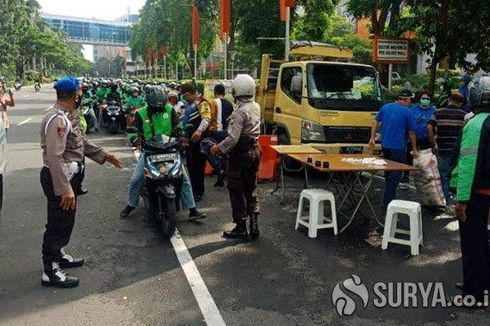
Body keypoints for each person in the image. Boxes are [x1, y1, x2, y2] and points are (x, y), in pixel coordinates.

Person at [40, 77, 122, 288]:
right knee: (58, 223)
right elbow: (53, 156)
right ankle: (50, 270)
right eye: (80, 93)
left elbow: (79, 143)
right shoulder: (57, 119)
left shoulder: (67, 116)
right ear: (75, 96)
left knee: (65, 220)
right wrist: (65, 187)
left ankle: (57, 255)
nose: (81, 96)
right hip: (61, 177)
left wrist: (104, 155)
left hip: (69, 176)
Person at [119, 86, 206, 220]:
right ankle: (131, 204)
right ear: (149, 104)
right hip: (150, 151)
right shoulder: (141, 113)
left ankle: (192, 209)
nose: (158, 109)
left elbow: (178, 127)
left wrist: (182, 137)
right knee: (136, 179)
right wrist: (135, 139)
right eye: (155, 107)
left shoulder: (170, 110)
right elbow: (132, 131)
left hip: (170, 150)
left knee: (185, 179)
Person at [450, 75, 490, 307]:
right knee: (485, 242)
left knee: (473, 243)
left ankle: (474, 295)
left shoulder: (475, 124)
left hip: (476, 196)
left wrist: (461, 199)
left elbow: (467, 164)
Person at [210, 74, 261, 240]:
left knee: (235, 189)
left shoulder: (239, 112)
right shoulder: (255, 106)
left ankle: (240, 227)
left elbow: (232, 138)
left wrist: (218, 148)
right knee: (250, 187)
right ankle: (254, 223)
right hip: (255, 152)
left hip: (240, 155)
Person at [368, 89, 418, 207]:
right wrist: (414, 149)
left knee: (388, 173)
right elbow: (412, 132)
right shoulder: (407, 112)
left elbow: (375, 122)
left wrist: (372, 138)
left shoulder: (385, 107)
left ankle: (390, 196)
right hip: (398, 148)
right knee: (395, 175)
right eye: (411, 99)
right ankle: (389, 202)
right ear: (407, 99)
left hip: (385, 146)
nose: (411, 102)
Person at [427, 93, 466, 207]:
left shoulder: (438, 113)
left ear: (448, 100)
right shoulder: (464, 116)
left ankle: (446, 204)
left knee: (444, 177)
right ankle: (457, 203)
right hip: (458, 153)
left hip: (443, 151)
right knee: (457, 178)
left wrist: (433, 144)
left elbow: (429, 128)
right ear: (461, 103)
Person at [181, 83, 211, 201]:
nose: (185, 98)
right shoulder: (189, 105)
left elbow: (206, 119)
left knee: (198, 166)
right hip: (189, 141)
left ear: (189, 94)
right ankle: (193, 190)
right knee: (191, 166)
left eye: (185, 96)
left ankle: (198, 191)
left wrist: (199, 131)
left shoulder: (202, 103)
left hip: (199, 141)